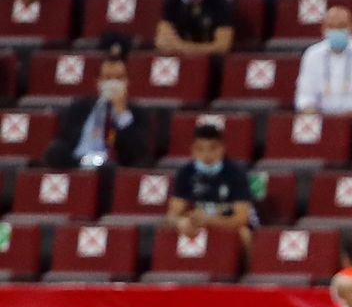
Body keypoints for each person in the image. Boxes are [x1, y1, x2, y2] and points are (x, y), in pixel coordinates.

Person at [44, 56, 151, 169]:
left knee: (109, 167)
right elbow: (63, 140)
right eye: (108, 78)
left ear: (127, 82)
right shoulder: (79, 108)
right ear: (98, 82)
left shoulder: (137, 113)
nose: (113, 83)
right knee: (55, 152)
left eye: (119, 78)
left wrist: (122, 114)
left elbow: (138, 153)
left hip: (109, 167)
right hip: (76, 163)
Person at [167, 123, 255, 252]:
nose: (206, 155)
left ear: (222, 148)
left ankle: (245, 271)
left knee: (244, 234)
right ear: (192, 150)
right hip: (200, 223)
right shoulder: (186, 173)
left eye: (212, 148)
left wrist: (209, 221)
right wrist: (180, 222)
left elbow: (241, 219)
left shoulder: (236, 173)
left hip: (228, 225)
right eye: (200, 149)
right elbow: (172, 214)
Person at [294, 6, 352, 118]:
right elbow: (305, 94)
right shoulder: (312, 54)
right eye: (331, 27)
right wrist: (309, 109)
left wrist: (346, 117)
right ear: (323, 29)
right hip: (321, 119)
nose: (336, 31)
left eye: (341, 26)